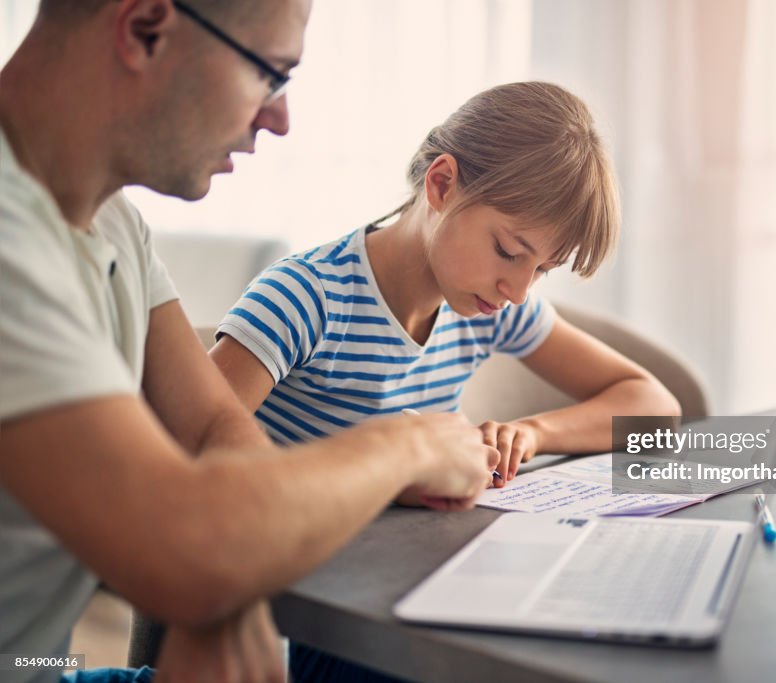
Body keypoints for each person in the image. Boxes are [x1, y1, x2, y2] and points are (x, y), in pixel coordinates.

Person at [0, 2, 498, 682]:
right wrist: (412, 441)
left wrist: (227, 588)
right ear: (146, 29)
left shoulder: (115, 224)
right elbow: (188, 538)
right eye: (271, 73)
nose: (279, 118)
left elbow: (213, 424)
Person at [208, 81, 682, 679]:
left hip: (412, 590)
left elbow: (653, 406)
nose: (519, 290)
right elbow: (186, 458)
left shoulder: (487, 307)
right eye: (510, 251)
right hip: (304, 617)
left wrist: (532, 433)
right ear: (440, 184)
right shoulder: (307, 298)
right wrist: (386, 474)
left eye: (543, 269)